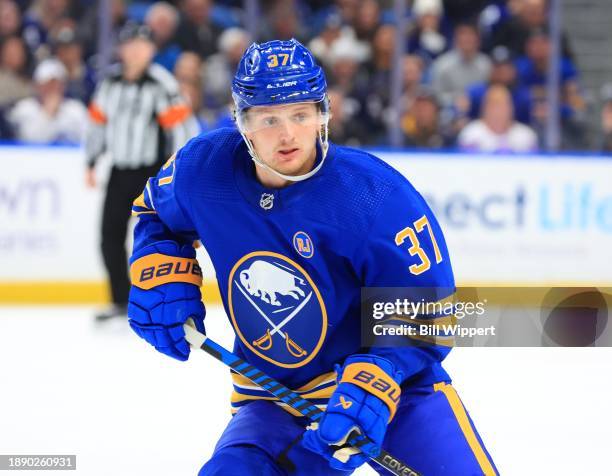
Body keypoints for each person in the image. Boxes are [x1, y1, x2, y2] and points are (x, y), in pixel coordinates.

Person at [126, 39, 498, 475]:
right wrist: (158, 266)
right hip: (274, 397)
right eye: (269, 119)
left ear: (323, 114)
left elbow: (428, 310)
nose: (287, 134)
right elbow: (155, 212)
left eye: (300, 115)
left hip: (388, 393)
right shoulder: (202, 169)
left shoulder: (374, 196)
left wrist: (382, 370)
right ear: (242, 123)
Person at [86, 22, 198, 321]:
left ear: (151, 50)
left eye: (142, 45)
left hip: (151, 174)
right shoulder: (109, 84)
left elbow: (182, 129)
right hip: (119, 171)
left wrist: (178, 170)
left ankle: (168, 299)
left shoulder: (162, 84)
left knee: (159, 236)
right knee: (109, 235)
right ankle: (120, 300)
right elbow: (97, 124)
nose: (136, 51)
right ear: (121, 49)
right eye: (130, 44)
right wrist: (91, 160)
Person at [8, 57, 87, 144]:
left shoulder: (76, 109)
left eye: (56, 84)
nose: (52, 89)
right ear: (37, 86)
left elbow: (87, 139)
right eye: (47, 84)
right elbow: (29, 142)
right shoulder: (24, 109)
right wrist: (48, 113)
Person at [458, 84, 538, 153]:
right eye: (494, 106)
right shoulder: (471, 134)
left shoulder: (526, 135)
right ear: (484, 108)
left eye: (502, 106)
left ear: (511, 108)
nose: (498, 111)